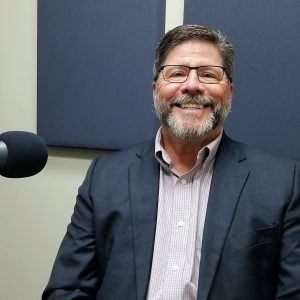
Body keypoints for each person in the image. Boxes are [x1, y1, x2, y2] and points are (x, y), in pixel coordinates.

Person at [43, 25, 300, 300]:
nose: (191, 85)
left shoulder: (284, 183)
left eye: (208, 74)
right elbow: (67, 290)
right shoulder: (104, 177)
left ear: (230, 92)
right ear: (156, 89)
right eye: (177, 73)